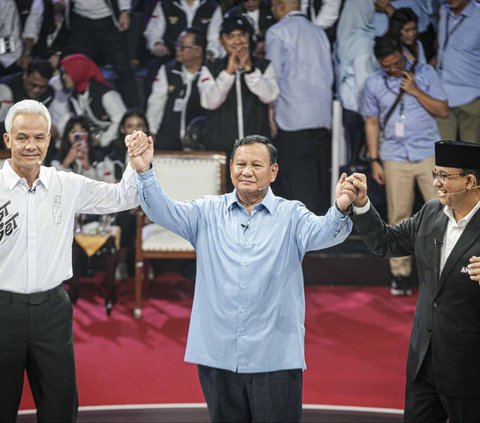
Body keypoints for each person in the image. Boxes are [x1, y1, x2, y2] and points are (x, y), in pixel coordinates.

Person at [127, 133, 357, 422]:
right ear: (231, 168)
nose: (247, 171)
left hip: (274, 356)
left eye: (256, 165)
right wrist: (145, 172)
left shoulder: (292, 216)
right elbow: (162, 210)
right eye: (241, 163)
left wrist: (341, 207)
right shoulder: (206, 211)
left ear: (273, 172)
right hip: (218, 354)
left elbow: (326, 232)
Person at [0, 99, 147, 421]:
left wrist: (138, 164)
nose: (30, 146)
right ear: (8, 139)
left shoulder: (66, 184)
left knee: (60, 409)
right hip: (2, 312)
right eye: (22, 137)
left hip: (52, 311)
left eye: (39, 138)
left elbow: (124, 197)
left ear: (49, 139)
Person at [349, 140, 480, 422]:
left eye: (445, 176)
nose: (436, 183)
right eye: (435, 174)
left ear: (470, 181)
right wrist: (361, 205)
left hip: (469, 373)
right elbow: (386, 242)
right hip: (423, 365)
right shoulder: (431, 213)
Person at [362, 35, 448, 295]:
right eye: (387, 65)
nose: (393, 68)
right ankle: (400, 275)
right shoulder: (374, 83)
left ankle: (444, 274)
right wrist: (375, 159)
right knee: (398, 216)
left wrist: (415, 91)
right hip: (394, 156)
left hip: (428, 155)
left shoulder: (425, 74)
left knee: (443, 214)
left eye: (396, 62)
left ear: (403, 53)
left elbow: (443, 110)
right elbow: (372, 122)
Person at [266, 0, 333, 215]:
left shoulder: (277, 32)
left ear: (279, 5)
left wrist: (270, 109)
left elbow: (272, 76)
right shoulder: (319, 33)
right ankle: (320, 239)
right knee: (319, 183)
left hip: (292, 118)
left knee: (298, 186)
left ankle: (302, 243)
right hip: (322, 117)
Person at [199, 16, 279, 155]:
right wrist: (228, 73)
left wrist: (250, 70)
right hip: (221, 149)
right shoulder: (211, 68)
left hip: (257, 148)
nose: (237, 41)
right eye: (230, 36)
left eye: (242, 35)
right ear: (221, 40)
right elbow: (209, 102)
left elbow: (270, 95)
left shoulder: (264, 66)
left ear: (250, 38)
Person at [63, 0, 139, 108]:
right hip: (80, 20)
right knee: (74, 69)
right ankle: (75, 112)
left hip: (108, 19)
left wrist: (124, 10)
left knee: (123, 68)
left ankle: (134, 113)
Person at [49, 53, 127, 148]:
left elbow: (121, 119)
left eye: (67, 73)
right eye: (62, 73)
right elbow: (72, 118)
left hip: (114, 142)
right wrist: (56, 129)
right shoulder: (75, 96)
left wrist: (103, 140)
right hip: (93, 141)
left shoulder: (105, 94)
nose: (63, 77)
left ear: (78, 71)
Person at [146, 27, 206, 150]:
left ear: (197, 51)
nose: (177, 49)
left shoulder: (211, 72)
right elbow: (156, 102)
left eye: (183, 47)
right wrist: (151, 131)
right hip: (169, 141)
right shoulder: (167, 70)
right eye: (177, 45)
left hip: (202, 142)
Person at [435, 0, 480, 144]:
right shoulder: (443, 11)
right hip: (442, 98)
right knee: (444, 159)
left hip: (472, 98)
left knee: (472, 160)